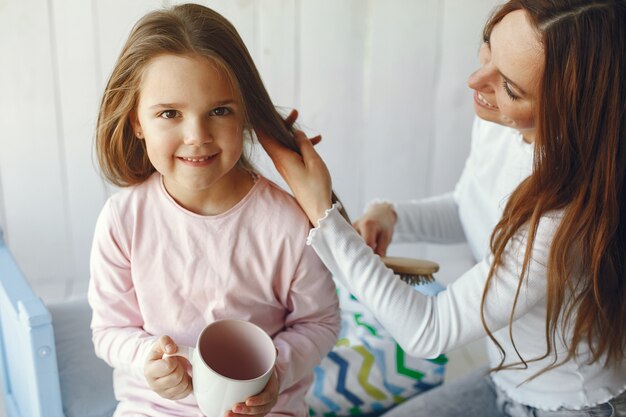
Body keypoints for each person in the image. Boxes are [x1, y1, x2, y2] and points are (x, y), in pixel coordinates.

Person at [258, 1, 626, 416]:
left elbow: (428, 330)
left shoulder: (561, 220)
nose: (475, 80)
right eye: (488, 48)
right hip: (502, 377)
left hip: (565, 406)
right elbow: (468, 207)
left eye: (509, 87)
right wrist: (390, 214)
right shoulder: (504, 128)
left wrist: (321, 211)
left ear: (569, 112)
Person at [88, 4, 341, 417]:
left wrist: (274, 372)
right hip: (153, 408)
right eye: (169, 113)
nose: (197, 136)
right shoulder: (123, 221)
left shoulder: (288, 224)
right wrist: (147, 358)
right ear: (136, 122)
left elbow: (321, 323)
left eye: (219, 111)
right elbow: (109, 331)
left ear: (244, 115)